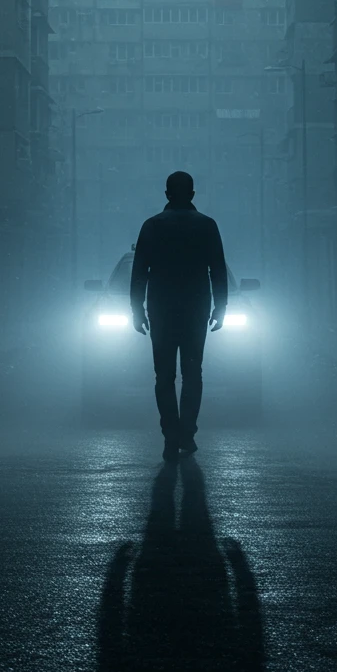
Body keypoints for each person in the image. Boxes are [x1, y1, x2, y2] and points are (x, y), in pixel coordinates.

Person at [130, 171, 228, 461]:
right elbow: (217, 270)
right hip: (195, 308)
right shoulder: (207, 225)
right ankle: (187, 433)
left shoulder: (152, 225)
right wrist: (220, 307)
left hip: (161, 308)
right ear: (193, 194)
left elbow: (139, 272)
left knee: (164, 375)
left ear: (167, 194)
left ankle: (170, 435)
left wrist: (137, 310)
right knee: (192, 373)